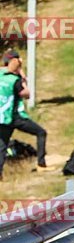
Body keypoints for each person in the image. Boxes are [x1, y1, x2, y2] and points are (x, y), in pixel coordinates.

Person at [0, 49, 47, 178]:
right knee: (41, 132)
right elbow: (26, 94)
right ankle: (41, 164)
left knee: (2, 146)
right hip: (15, 117)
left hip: (2, 117)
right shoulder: (15, 80)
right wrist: (23, 77)